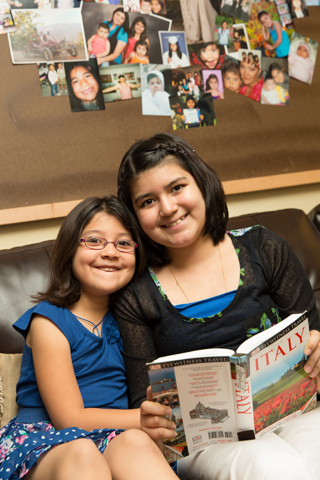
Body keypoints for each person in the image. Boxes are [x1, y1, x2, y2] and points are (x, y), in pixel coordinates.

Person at [114, 132, 320, 480]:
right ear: (135, 216)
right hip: (204, 442)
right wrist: (154, 406)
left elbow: (313, 330)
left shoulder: (263, 247)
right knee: (273, 469)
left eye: (177, 187)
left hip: (296, 411)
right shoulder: (136, 294)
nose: (167, 208)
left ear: (202, 184)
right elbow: (140, 403)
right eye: (147, 201)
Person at [0, 194, 179, 480]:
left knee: (137, 443)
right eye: (94, 241)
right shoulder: (49, 321)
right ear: (70, 250)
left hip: (116, 436)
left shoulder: (132, 322)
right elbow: (69, 420)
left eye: (123, 243)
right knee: (82, 451)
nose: (110, 252)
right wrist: (143, 418)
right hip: (47, 440)